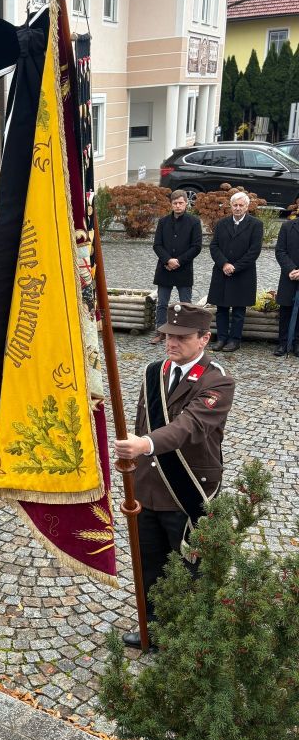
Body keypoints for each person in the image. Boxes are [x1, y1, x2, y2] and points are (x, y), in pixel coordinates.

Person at [114, 302, 235, 648]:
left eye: (182, 337)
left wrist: (144, 445)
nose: (171, 342)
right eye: (168, 335)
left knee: (188, 568)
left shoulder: (218, 382)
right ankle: (151, 625)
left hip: (188, 489)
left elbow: (189, 427)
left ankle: (185, 636)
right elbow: (141, 422)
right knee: (149, 563)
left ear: (204, 339)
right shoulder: (155, 372)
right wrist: (135, 462)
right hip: (148, 487)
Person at [207, 192, 263, 352]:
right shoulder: (222, 223)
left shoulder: (256, 225)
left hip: (243, 273)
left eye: (241, 205)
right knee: (222, 308)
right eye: (235, 205)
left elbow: (254, 251)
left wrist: (235, 267)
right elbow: (214, 246)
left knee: (239, 310)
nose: (238, 208)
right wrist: (224, 263)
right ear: (230, 206)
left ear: (247, 207)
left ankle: (235, 340)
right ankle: (222, 338)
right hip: (221, 271)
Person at [149, 190, 202, 344]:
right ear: (171, 204)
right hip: (165, 268)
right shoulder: (163, 221)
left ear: (186, 203)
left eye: (181, 203)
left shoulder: (194, 222)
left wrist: (178, 261)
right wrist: (167, 260)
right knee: (162, 303)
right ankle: (160, 331)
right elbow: (157, 245)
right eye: (175, 203)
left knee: (185, 304)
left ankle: (185, 332)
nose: (178, 206)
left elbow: (196, 247)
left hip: (183, 268)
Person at [273, 214, 299, 357]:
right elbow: (280, 251)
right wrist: (291, 268)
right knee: (285, 310)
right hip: (289, 275)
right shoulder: (287, 226)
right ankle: (282, 343)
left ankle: (297, 343)